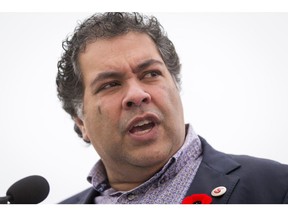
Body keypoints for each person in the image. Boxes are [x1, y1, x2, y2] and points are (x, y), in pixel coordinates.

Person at [56, 12, 288, 204]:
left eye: (150, 74)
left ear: (176, 86)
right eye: (110, 85)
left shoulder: (276, 188)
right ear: (81, 122)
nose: (137, 95)